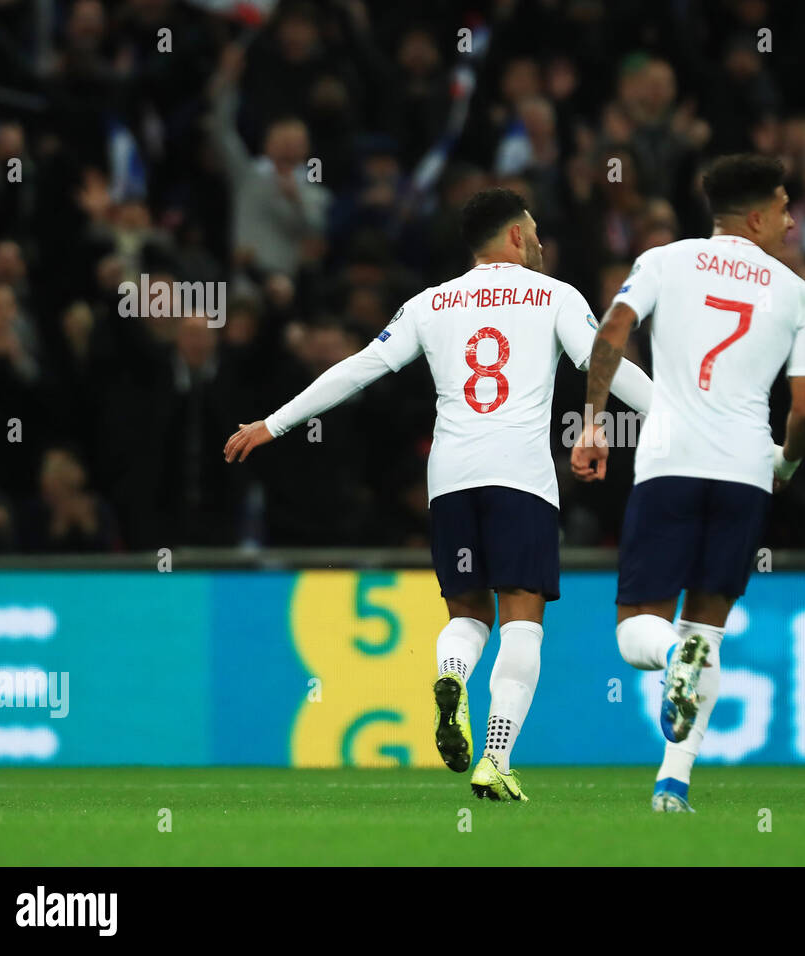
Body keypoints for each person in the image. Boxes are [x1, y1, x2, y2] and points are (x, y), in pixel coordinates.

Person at [223, 189, 652, 801]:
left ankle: (451, 675)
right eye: (531, 231)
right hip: (521, 478)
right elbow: (604, 359)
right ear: (512, 238)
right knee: (523, 619)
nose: (539, 241)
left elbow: (357, 368)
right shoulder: (556, 295)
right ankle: (496, 757)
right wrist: (684, 423)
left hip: (449, 480)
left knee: (468, 614)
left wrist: (274, 422)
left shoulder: (431, 302)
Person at [570, 154, 805, 812]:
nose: (792, 223)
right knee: (706, 632)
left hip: (669, 462)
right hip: (745, 472)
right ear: (759, 216)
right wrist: (786, 465)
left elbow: (613, 331)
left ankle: (671, 660)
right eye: (786, 208)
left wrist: (593, 422)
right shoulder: (798, 295)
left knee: (636, 635)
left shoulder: (663, 261)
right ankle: (672, 785)